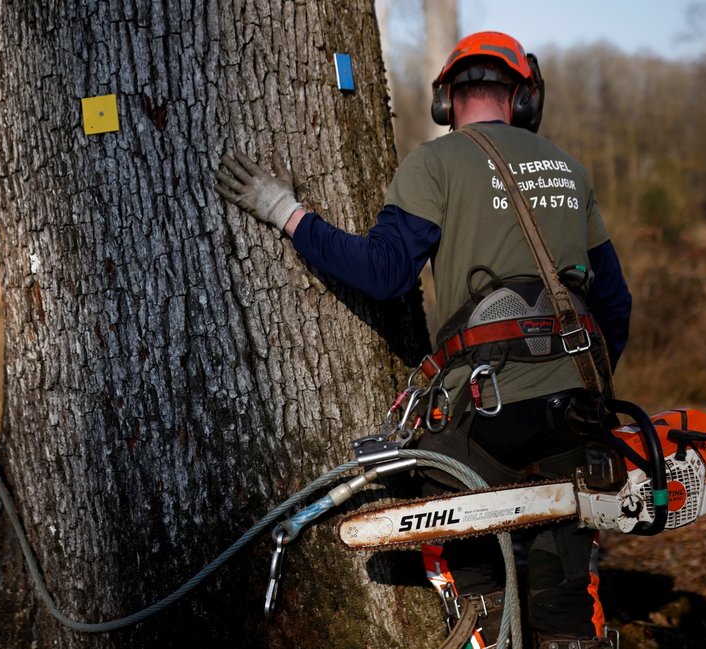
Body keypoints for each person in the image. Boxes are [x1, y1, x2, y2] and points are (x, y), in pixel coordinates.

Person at [216, 31, 630, 649]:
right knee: (565, 586)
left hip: (486, 415)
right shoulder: (570, 170)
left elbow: (382, 274)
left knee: (461, 536)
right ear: (523, 96)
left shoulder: (436, 162)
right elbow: (615, 303)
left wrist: (286, 212)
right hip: (576, 409)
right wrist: (577, 383)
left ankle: (485, 610)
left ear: (446, 100)